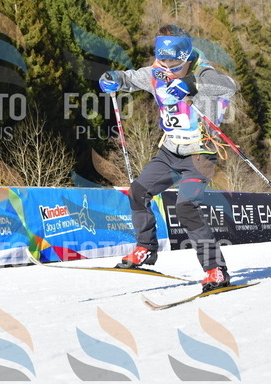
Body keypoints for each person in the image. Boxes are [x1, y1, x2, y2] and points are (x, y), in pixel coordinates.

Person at [99, 24, 237, 292]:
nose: (168, 70)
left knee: (186, 207)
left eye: (175, 65)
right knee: (138, 192)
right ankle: (145, 248)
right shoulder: (156, 73)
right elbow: (129, 78)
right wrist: (112, 77)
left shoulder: (202, 72)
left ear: (186, 58)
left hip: (200, 155)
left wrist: (191, 84)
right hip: (170, 151)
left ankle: (215, 270)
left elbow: (229, 85)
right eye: (164, 63)